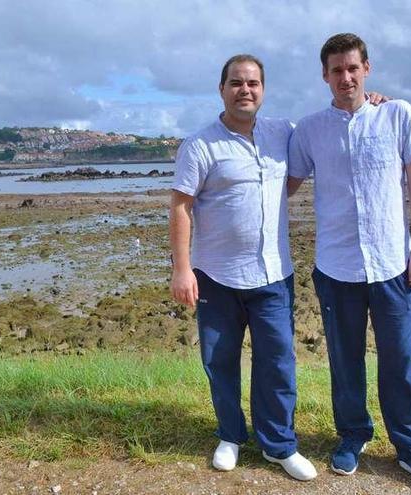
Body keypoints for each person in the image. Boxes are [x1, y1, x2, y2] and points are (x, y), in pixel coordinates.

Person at [287, 33, 411, 493]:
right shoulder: (311, 129)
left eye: (353, 68)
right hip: (336, 268)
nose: (346, 77)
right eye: (336, 70)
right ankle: (353, 435)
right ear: (325, 75)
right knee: (345, 359)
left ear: (367, 68)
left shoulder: (398, 114)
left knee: (400, 360)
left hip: (394, 265)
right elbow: (285, 186)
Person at [169, 54, 317, 481]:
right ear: (222, 89)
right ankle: (231, 435)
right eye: (236, 83)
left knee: (277, 362)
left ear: (263, 89)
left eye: (253, 83)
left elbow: (310, 153)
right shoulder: (200, 144)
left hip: (273, 275)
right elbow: (181, 207)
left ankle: (279, 445)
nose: (245, 90)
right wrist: (182, 269)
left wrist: (373, 99)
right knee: (220, 360)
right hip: (215, 275)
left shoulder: (283, 133)